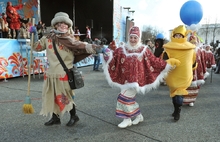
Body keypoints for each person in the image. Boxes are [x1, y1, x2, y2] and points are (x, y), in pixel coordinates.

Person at [102, 26, 180, 128]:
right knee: (129, 100)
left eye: (135, 37)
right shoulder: (122, 49)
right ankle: (138, 116)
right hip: (125, 80)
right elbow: (113, 59)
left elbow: (154, 61)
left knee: (123, 98)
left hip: (136, 81)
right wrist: (107, 54)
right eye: (131, 37)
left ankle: (127, 119)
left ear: (139, 38)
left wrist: (167, 64)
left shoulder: (144, 50)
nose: (133, 40)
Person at [30, 12, 99, 127]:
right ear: (56, 25)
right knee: (52, 96)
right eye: (61, 23)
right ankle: (55, 118)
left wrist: (95, 47)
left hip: (64, 73)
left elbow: (80, 45)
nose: (64, 26)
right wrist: (34, 34)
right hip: (51, 74)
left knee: (65, 96)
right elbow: (36, 47)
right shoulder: (47, 38)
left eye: (66, 24)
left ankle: (73, 116)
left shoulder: (70, 38)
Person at [162, 25, 197, 121]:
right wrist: (170, 61)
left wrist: (192, 67)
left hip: (184, 76)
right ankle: (176, 109)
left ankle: (178, 111)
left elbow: (193, 61)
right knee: (174, 94)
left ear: (183, 36)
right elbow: (164, 60)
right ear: (173, 35)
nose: (178, 37)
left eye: (180, 35)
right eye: (176, 35)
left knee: (179, 95)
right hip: (173, 75)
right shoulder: (169, 48)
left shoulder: (190, 48)